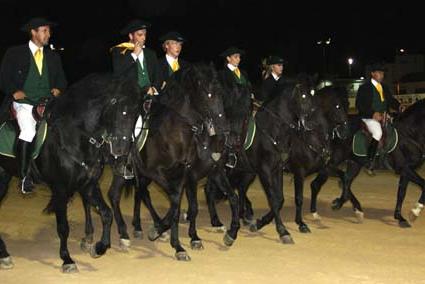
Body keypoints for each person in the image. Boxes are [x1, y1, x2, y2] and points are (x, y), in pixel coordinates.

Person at [0, 17, 67, 194]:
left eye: (49, 31)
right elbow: (4, 78)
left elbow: (62, 79)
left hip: (47, 103)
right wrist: (14, 91)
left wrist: (58, 89)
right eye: (45, 30)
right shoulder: (14, 53)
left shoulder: (53, 56)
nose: (48, 34)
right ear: (33, 32)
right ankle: (24, 176)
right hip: (24, 104)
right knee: (28, 131)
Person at [355, 63, 404, 175]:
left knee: (399, 128)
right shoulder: (364, 88)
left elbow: (391, 100)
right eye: (379, 73)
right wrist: (372, 114)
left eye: (382, 73)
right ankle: (370, 161)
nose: (382, 75)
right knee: (378, 132)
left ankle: (392, 157)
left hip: (384, 116)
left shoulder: (384, 87)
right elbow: (359, 105)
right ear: (373, 74)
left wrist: (399, 106)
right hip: (369, 118)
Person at [111, 19, 161, 96]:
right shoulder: (119, 50)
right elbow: (118, 72)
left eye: (145, 34)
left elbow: (158, 77)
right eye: (140, 35)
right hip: (129, 98)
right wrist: (134, 54)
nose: (144, 38)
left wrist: (154, 89)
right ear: (131, 36)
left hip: (151, 98)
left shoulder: (151, 53)